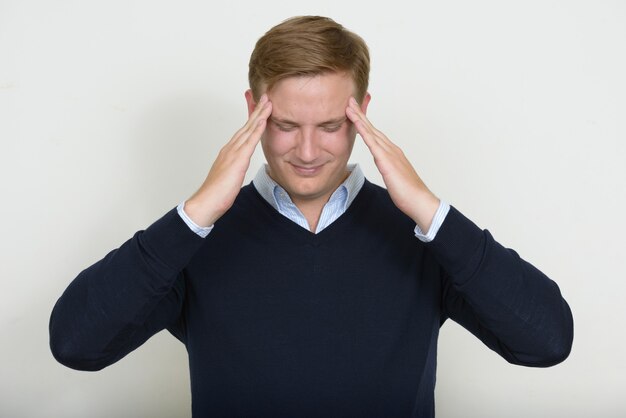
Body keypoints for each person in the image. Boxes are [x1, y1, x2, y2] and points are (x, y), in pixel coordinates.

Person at [49, 16, 573, 418]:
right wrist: (196, 212)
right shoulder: (197, 240)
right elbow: (76, 345)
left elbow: (547, 341)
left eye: (329, 125)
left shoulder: (423, 237)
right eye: (283, 124)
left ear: (361, 112)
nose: (305, 150)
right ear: (252, 108)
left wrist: (430, 210)